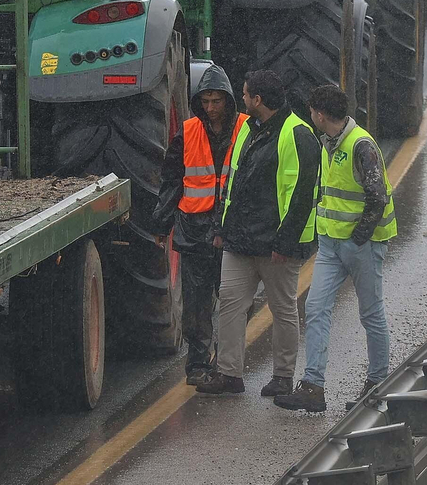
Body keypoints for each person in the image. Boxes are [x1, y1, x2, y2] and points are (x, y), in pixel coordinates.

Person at [274, 84, 398, 414]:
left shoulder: (361, 145)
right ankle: (313, 386)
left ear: (320, 115)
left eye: (313, 112)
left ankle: (377, 384)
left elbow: (377, 196)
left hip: (362, 246)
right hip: (330, 245)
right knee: (316, 308)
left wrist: (359, 239)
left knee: (371, 313)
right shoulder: (328, 142)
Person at [196, 69, 320, 396]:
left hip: (277, 246)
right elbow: (234, 184)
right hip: (240, 242)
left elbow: (302, 194)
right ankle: (229, 374)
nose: (243, 98)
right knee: (230, 306)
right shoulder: (249, 129)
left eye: (246, 94)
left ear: (258, 100)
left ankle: (282, 376)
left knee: (282, 311)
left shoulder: (298, 135)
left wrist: (285, 242)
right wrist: (223, 228)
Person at [154, 64, 247, 385]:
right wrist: (161, 224)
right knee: (195, 303)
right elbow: (171, 181)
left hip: (233, 232)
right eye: (205, 101)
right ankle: (197, 364)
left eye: (216, 101)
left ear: (229, 101)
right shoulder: (188, 131)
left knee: (234, 302)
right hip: (194, 230)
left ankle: (227, 362)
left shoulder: (247, 130)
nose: (210, 108)